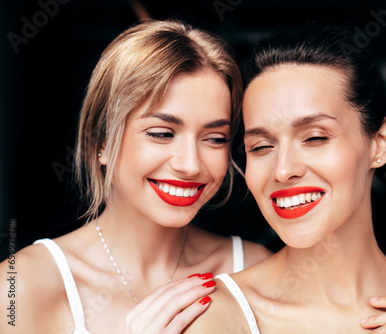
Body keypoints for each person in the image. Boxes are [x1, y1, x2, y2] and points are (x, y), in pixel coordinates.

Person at [184, 21, 386, 333]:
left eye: (315, 138)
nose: (283, 170)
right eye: (261, 146)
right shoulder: (215, 318)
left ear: (380, 143)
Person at [0, 19, 272, 334]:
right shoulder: (21, 287)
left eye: (215, 138)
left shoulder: (255, 269)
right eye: (161, 133)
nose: (190, 164)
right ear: (101, 139)